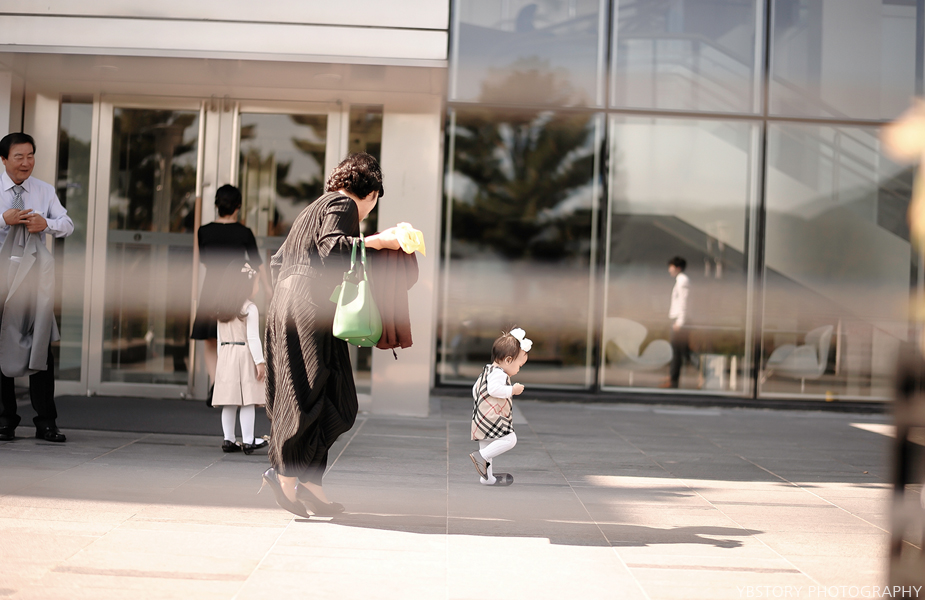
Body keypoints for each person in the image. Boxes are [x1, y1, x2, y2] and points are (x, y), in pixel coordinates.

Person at [261, 152, 403, 518]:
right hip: (307, 307)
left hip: (293, 305)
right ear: (372, 193)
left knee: (332, 396)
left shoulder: (312, 208)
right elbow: (331, 247)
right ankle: (285, 476)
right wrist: (377, 242)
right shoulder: (344, 204)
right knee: (309, 395)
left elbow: (277, 262)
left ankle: (309, 482)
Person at [0, 132, 74, 443]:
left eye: (30, 156)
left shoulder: (44, 190)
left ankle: (46, 422)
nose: (26, 162)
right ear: (4, 159)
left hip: (33, 281)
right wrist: (3, 220)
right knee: (0, 346)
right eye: (19, 156)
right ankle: (4, 420)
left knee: (40, 346)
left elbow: (67, 224)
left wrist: (47, 224)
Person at [191, 185, 270, 399]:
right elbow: (257, 262)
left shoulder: (203, 231)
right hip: (235, 288)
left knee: (210, 339)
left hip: (212, 287)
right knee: (236, 337)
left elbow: (205, 261)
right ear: (238, 206)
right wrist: (267, 287)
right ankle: (231, 386)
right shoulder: (244, 232)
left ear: (217, 205)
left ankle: (216, 384)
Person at [211, 261, 269, 455]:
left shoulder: (221, 309)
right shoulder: (249, 308)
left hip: (226, 355)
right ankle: (248, 440)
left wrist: (221, 360)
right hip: (244, 354)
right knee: (247, 400)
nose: (257, 287)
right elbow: (253, 338)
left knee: (229, 401)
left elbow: (219, 339)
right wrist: (260, 361)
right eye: (256, 283)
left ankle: (228, 439)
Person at [469, 328, 531, 486]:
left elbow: (476, 389)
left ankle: (487, 478)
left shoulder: (487, 371)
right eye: (519, 365)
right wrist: (512, 390)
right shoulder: (499, 374)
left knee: (488, 447)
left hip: (481, 418)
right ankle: (480, 457)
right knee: (510, 439)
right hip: (492, 417)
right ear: (508, 360)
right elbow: (493, 390)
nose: (518, 370)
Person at [663, 256, 691, 389]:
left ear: (678, 268)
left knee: (680, 351)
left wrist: (680, 322)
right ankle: (672, 377)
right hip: (678, 319)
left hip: (679, 321)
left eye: (671, 267)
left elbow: (684, 302)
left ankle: (673, 379)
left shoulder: (683, 281)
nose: (669, 270)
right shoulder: (680, 280)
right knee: (680, 351)